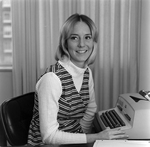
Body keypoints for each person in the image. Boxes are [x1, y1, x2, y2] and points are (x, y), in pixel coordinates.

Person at [27, 13, 128, 146]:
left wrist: (84, 140)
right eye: (74, 38)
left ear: (93, 42)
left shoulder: (86, 72)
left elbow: (91, 109)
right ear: (65, 43)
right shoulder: (52, 79)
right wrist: (93, 138)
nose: (82, 44)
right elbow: (48, 136)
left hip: (73, 140)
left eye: (87, 37)